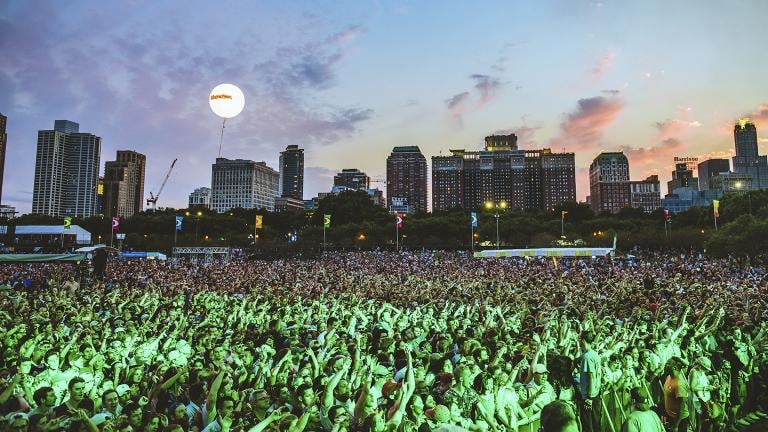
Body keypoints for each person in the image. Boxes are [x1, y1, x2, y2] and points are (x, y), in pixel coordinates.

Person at [577, 330, 602, 432]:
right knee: (596, 425)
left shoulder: (587, 357)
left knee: (589, 426)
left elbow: (591, 377)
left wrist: (589, 398)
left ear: (582, 340)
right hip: (595, 394)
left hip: (589, 397)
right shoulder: (594, 354)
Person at [663, 358, 691, 432]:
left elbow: (681, 409)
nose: (665, 365)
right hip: (670, 416)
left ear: (674, 368)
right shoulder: (669, 377)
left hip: (679, 420)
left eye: (668, 364)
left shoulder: (679, 384)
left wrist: (675, 426)